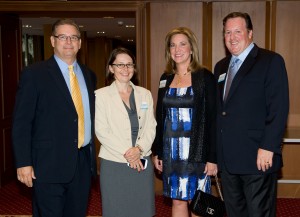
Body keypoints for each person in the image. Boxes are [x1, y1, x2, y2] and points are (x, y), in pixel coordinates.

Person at [12, 19, 97, 217]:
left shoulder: (89, 75)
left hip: (81, 164)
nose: (69, 41)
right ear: (52, 41)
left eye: (73, 37)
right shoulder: (34, 74)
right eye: (62, 37)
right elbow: (22, 122)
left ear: (80, 42)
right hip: (47, 166)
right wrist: (23, 162)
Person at [214, 12, 289, 217]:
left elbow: (278, 108)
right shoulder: (221, 67)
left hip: (257, 157)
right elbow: (221, 112)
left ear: (250, 33)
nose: (232, 37)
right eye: (227, 32)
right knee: (234, 212)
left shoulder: (270, 61)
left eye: (238, 31)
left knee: (259, 213)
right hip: (228, 160)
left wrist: (268, 146)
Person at [152, 27, 218, 217]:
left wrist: (212, 158)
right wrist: (158, 152)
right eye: (173, 45)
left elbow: (213, 119)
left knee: (197, 202)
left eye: (182, 44)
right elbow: (160, 116)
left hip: (196, 151)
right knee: (177, 200)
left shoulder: (204, 77)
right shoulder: (166, 78)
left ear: (191, 48)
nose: (177, 49)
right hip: (171, 152)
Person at [95, 47, 156, 217]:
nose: (125, 69)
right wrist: (129, 153)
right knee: (116, 210)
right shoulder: (101, 96)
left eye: (129, 64)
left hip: (142, 162)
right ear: (111, 68)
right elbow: (102, 131)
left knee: (142, 210)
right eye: (120, 64)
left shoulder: (145, 94)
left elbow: (151, 126)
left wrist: (139, 150)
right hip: (114, 163)